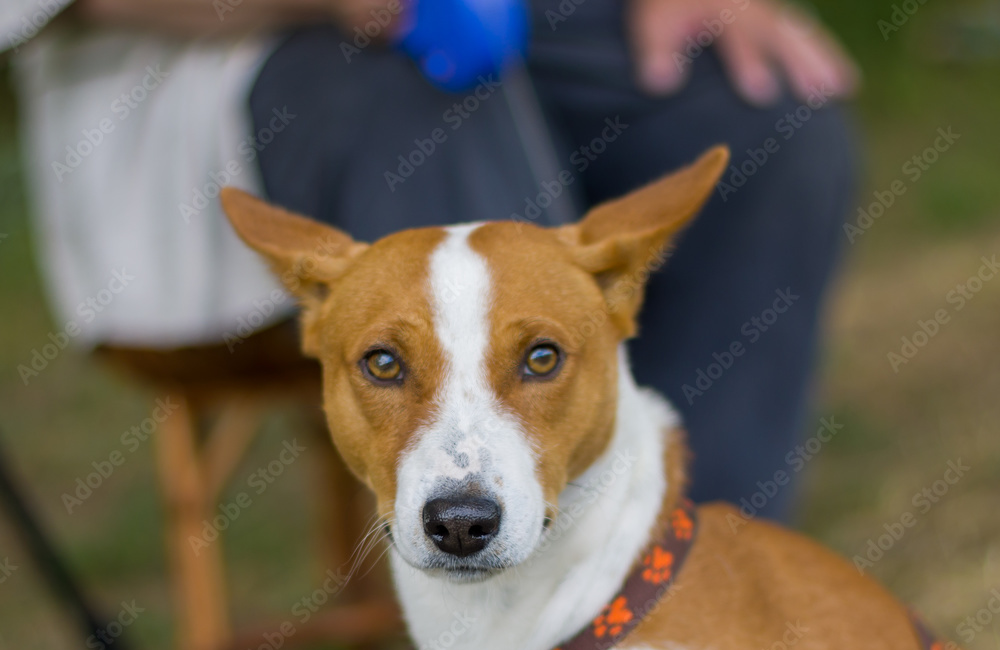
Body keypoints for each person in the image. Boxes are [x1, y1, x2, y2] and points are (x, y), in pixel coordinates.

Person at [13, 0, 858, 519]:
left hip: (523, 23)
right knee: (433, 113)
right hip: (207, 74)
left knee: (762, 120)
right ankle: (532, 628)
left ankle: (706, 563)